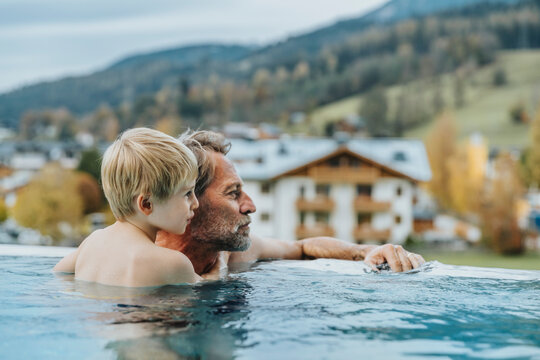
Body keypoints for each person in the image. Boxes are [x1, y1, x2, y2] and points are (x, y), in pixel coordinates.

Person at [156, 130, 425, 275]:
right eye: (233, 193)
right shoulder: (143, 259)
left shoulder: (233, 254)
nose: (250, 206)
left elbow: (303, 247)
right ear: (189, 200)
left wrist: (366, 250)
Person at [53, 128, 207, 287]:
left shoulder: (92, 242)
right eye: (187, 193)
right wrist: (222, 263)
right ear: (146, 204)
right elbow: (206, 292)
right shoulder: (174, 263)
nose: (196, 203)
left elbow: (58, 273)